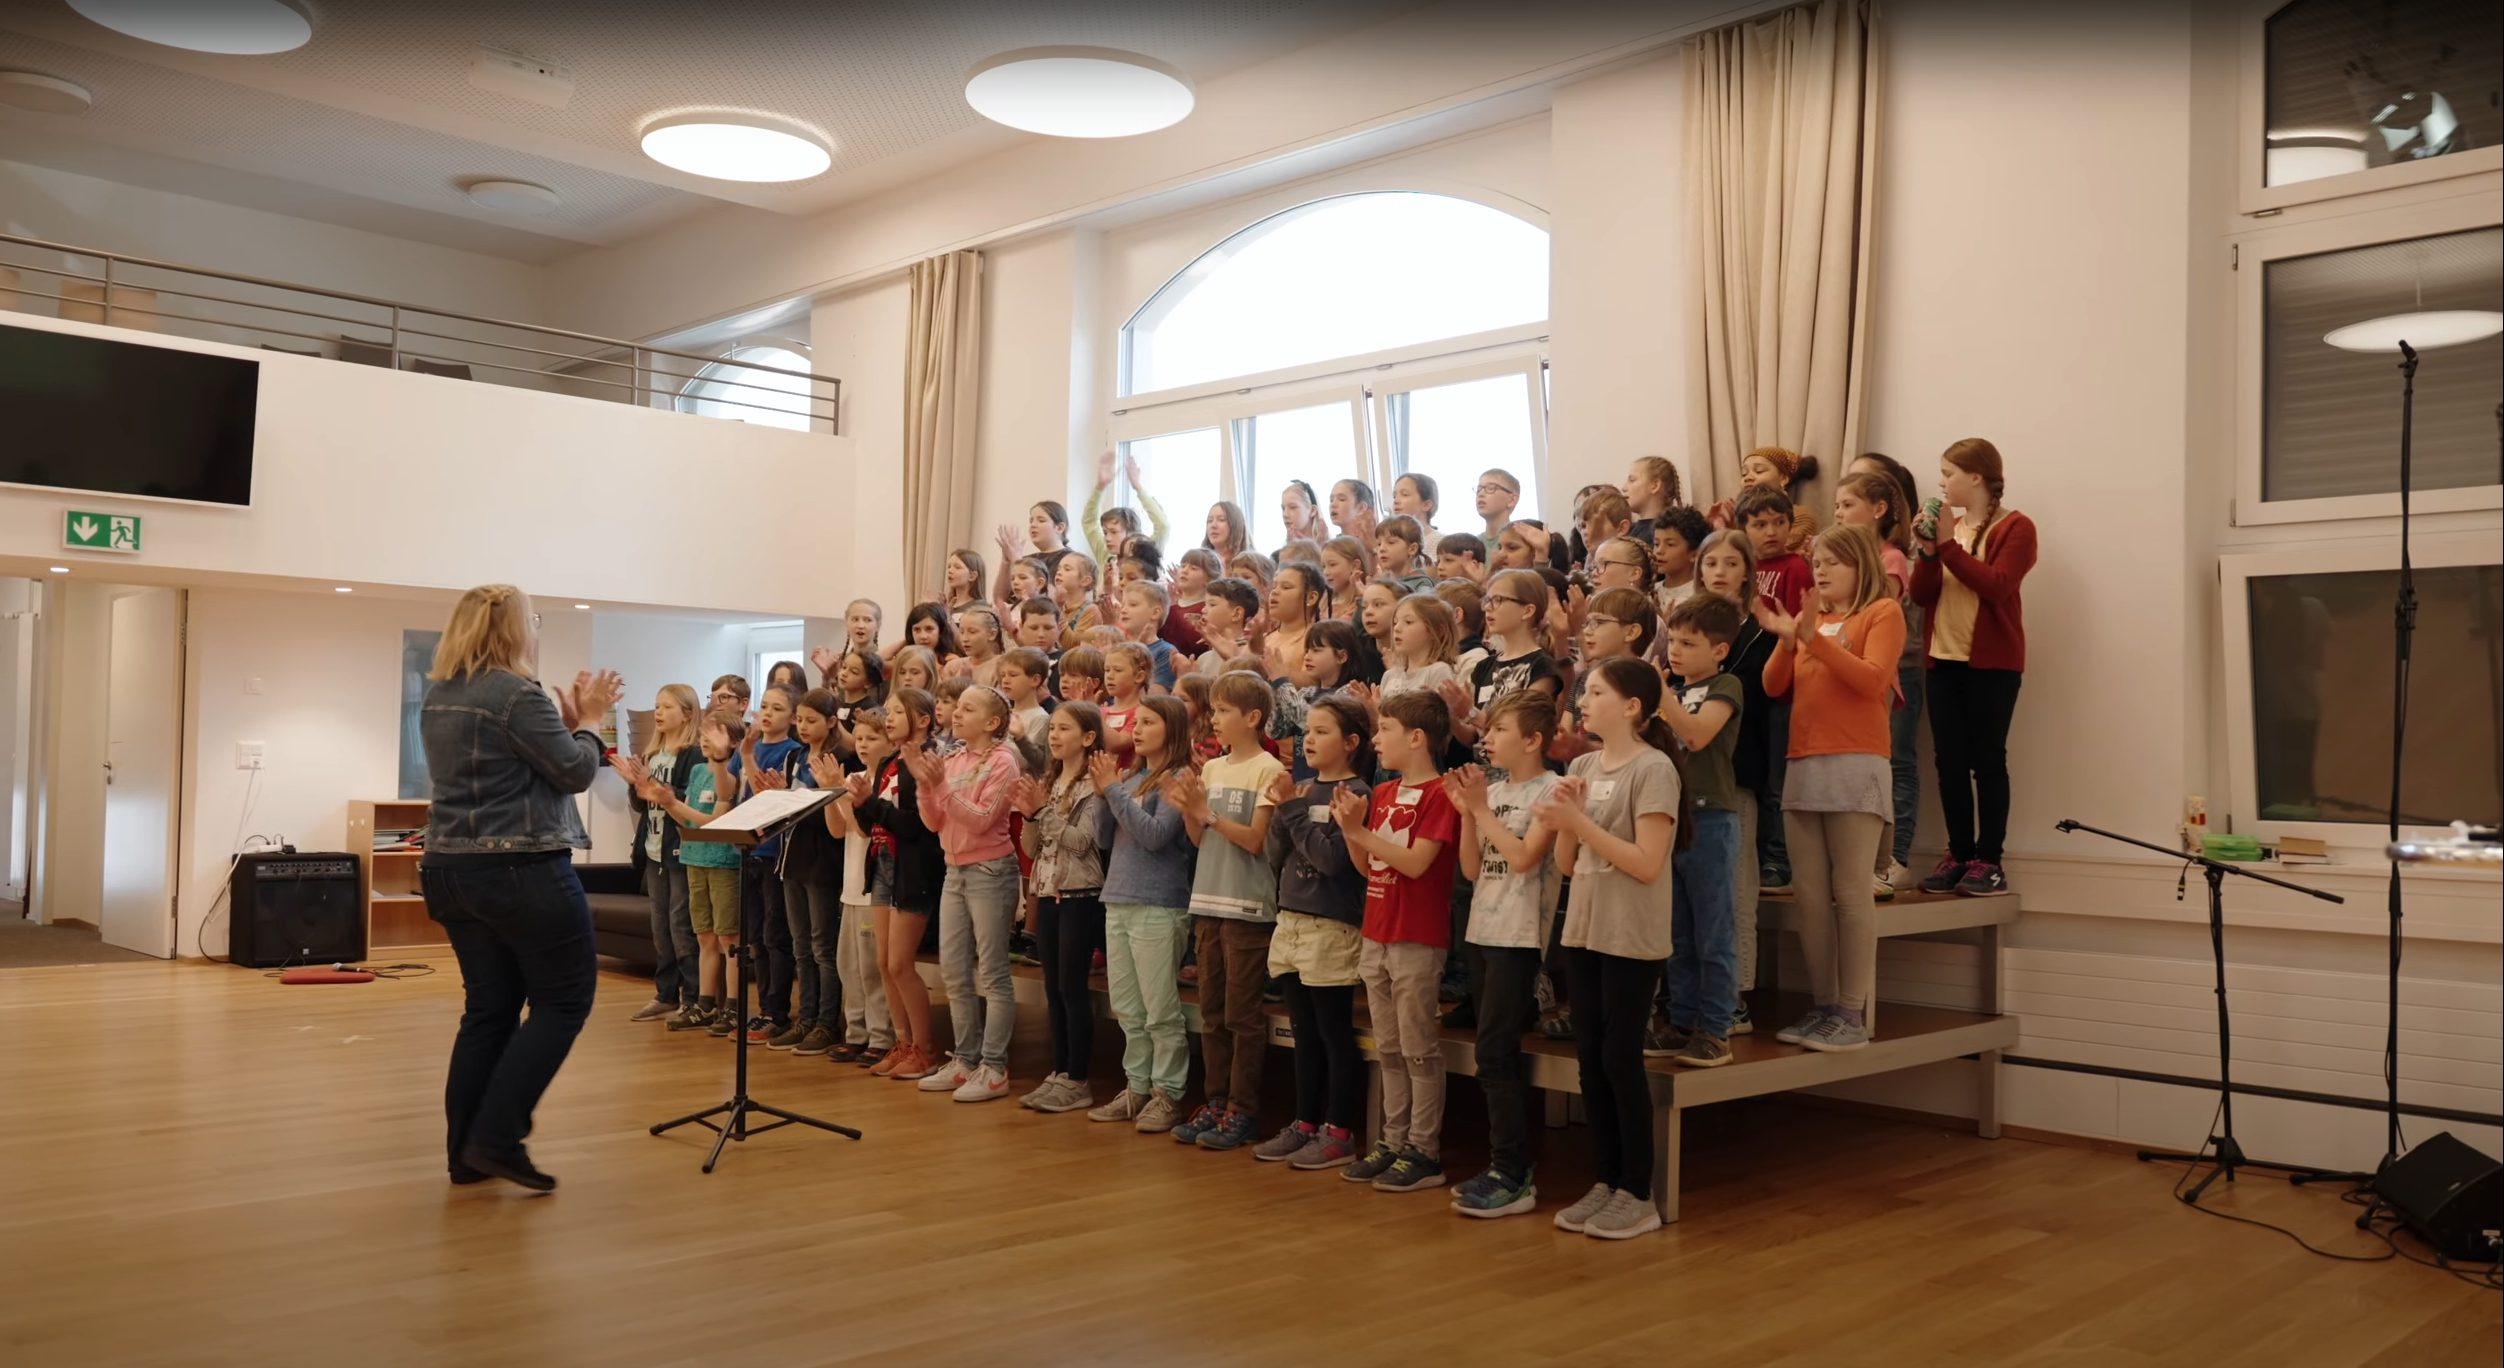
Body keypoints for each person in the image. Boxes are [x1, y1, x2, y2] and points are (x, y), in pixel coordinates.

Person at [417, 584, 620, 1193]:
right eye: (531, 619)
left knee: (488, 1009)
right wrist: (589, 724)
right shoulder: (515, 693)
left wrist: (561, 728)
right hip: (518, 870)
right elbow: (578, 771)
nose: (536, 628)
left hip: (450, 868)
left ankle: (466, 1155)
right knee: (564, 1001)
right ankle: (498, 1137)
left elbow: (522, 764)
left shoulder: (439, 694)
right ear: (514, 631)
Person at [1539, 656, 1684, 1240]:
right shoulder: (1581, 763)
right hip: (1585, 929)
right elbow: (1566, 865)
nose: (1583, 699)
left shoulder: (1655, 771)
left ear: (1632, 708)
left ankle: (1638, 1191)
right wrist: (1564, 822)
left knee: (1621, 1059)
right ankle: (1606, 1180)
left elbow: (1648, 865)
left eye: (1596, 691)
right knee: (1590, 1060)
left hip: (1631, 935)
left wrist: (1579, 819)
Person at [1759, 524, 1907, 1052]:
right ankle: (1823, 1005)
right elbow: (1774, 686)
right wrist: (1789, 637)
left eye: (1833, 562)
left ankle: (1851, 1010)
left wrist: (1812, 642)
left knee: (1849, 892)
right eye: (1817, 562)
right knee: (1811, 897)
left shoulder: (1881, 613)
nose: (1820, 571)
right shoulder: (1812, 623)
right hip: (1804, 762)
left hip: (1857, 761)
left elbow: (1870, 680)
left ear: (1861, 565)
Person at [1333, 691, 1461, 1193]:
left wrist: (1358, 832)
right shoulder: (1384, 793)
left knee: (1418, 1048)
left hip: (1417, 935)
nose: (1377, 739)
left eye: (1384, 729)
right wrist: (1351, 830)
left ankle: (1423, 1150)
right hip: (1378, 928)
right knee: (1387, 1046)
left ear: (1416, 738)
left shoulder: (1440, 794)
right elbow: (1369, 867)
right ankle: (1391, 1140)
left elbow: (1415, 863)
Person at [1445, 693, 1562, 1219]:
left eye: (1499, 730)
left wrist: (1479, 810)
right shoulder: (1492, 790)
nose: (1487, 738)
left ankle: (1514, 1172)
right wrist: (1471, 815)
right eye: (1486, 730)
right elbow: (1472, 869)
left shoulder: (1552, 789)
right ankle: (1504, 1166)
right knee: (1488, 1051)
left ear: (1533, 740)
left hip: (1518, 937)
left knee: (1496, 1051)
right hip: (1482, 931)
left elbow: (1521, 858)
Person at [1165, 672, 1289, 1151]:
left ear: (1252, 717)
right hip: (1209, 899)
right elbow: (1200, 841)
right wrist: (1188, 809)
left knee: (1242, 1016)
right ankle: (1215, 1103)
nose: (1213, 719)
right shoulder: (1212, 768)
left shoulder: (1267, 769)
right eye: (1213, 710)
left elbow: (1256, 841)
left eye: (1221, 711)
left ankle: (1243, 1110)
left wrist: (1209, 814)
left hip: (1247, 904)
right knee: (1211, 1014)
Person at [1911, 438, 2035, 899]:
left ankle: (1989, 858)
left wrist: (1946, 546)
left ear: (1976, 476)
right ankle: (1958, 853)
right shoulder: (1953, 530)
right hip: (1943, 659)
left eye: (1948, 474)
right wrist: (1927, 552)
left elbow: (1997, 586)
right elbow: (1923, 595)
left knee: (1987, 761)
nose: (1942, 483)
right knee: (1949, 763)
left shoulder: (2016, 527)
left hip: (1993, 665)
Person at [1255, 694, 1374, 1169]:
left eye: (1322, 731)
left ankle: (1339, 1129)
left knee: (1333, 1032)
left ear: (1350, 742)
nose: (1309, 739)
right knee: (1303, 1032)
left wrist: (1293, 813)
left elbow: (1330, 862)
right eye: (1307, 730)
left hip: (1331, 925)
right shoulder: (1301, 790)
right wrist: (1285, 810)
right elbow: (1275, 857)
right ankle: (1305, 1122)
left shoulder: (1358, 793)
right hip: (1292, 919)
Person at [1087, 697, 1199, 1134]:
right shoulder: (1131, 776)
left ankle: (1167, 1094)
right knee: (1129, 1008)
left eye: (1148, 722)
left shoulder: (1179, 777)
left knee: (1159, 1010)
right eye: (1137, 721)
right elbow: (1104, 837)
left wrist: (1112, 790)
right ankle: (1136, 1085)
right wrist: (1104, 794)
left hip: (1158, 903)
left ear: (1170, 729)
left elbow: (1154, 837)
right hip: (1119, 899)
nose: (1137, 728)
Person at [908, 686, 1024, 1103]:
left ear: (992, 723)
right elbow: (935, 822)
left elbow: (980, 820)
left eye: (968, 709)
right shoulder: (953, 759)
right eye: (956, 707)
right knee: (954, 972)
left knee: (992, 973)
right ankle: (966, 1059)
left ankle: (994, 1066)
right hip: (954, 870)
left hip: (991, 871)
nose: (956, 713)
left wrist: (940, 786)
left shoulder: (1004, 761)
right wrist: (926, 786)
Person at [1659, 594, 1747, 1067]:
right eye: (1672, 640)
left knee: (1714, 930)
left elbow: (1696, 735)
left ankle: (1716, 1028)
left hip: (1710, 816)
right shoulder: (1670, 691)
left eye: (1688, 643)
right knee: (1678, 931)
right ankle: (1681, 1021)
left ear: (1719, 650)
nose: (1675, 650)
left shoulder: (1726, 685)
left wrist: (1662, 698)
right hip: (1669, 819)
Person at [1013, 701, 1109, 1113]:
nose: (1054, 736)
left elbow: (1084, 842)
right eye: (1052, 729)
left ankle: (1077, 1077)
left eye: (1064, 729)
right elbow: (1032, 848)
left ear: (1088, 738)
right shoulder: (1050, 781)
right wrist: (1031, 819)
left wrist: (1041, 813)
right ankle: (1058, 1071)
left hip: (1080, 894)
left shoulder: (1095, 786)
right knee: (1053, 988)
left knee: (1072, 988)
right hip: (1047, 890)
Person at [630, 709, 745, 1041]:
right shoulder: (696, 770)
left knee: (729, 939)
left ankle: (733, 1006)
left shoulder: (730, 773)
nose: (707, 739)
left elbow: (714, 820)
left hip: (723, 863)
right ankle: (705, 1003)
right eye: (705, 732)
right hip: (694, 859)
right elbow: (690, 823)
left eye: (717, 733)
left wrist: (669, 802)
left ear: (733, 742)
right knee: (705, 937)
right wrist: (663, 801)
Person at [1695, 530, 1768, 1035]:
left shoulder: (1761, 631)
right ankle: (1695, 995)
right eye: (1710, 563)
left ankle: (1736, 996)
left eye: (1730, 563)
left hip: (1739, 769)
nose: (1719, 572)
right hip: (1691, 776)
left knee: (1736, 891)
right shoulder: (1686, 627)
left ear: (1747, 571)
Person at [1832, 470, 1918, 897]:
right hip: (1841, 678)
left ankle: (1887, 860)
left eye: (1847, 505)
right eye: (1837, 507)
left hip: (1876, 673)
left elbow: (1871, 606)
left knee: (1886, 765)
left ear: (1879, 510)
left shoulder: (1891, 558)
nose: (1839, 513)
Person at [851, 690, 945, 1080]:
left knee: (901, 963)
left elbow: (915, 825)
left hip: (914, 868)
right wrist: (860, 803)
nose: (887, 718)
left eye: (896, 712)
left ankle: (925, 1048)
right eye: (886, 712)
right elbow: (868, 826)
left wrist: (871, 803)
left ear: (922, 719)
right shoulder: (888, 762)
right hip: (883, 863)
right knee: (884, 964)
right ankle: (903, 1042)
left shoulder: (926, 762)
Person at [1738, 485, 1810, 892]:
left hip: (1782, 694)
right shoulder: (1744, 568)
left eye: (1779, 522)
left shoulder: (1795, 567)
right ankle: (1757, 854)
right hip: (1751, 691)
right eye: (1760, 524)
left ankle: (1778, 861)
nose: (1771, 531)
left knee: (1778, 782)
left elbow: (1800, 630)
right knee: (1758, 777)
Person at [772, 689, 849, 1056]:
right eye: (799, 719)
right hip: (792, 858)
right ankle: (805, 1019)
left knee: (823, 947)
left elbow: (835, 816)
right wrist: (777, 798)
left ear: (832, 721)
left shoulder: (842, 759)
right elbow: (789, 811)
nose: (802, 726)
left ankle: (826, 1023)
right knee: (801, 946)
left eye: (811, 720)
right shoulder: (794, 756)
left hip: (824, 861)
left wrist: (799, 803)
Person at [624, 682, 700, 1026]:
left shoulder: (692, 753)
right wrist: (636, 784)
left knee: (681, 926)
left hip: (679, 850)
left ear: (686, 714)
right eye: (656, 706)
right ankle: (665, 994)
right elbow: (641, 804)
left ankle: (694, 996)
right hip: (653, 850)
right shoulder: (653, 753)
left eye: (667, 707)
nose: (658, 712)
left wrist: (655, 786)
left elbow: (686, 797)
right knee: (661, 928)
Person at [821, 707, 892, 1068]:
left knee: (871, 968)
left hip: (873, 889)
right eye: (859, 738)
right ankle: (856, 1033)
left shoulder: (887, 781)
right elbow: (837, 830)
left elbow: (865, 829)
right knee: (848, 965)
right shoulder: (854, 778)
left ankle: (881, 1037)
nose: (863, 745)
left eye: (872, 738)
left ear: (891, 740)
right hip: (850, 887)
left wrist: (843, 794)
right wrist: (831, 795)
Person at [994, 498, 1079, 607]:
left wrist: (1017, 560)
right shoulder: (1028, 560)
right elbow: (1000, 600)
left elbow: (1056, 599)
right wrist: (1006, 560)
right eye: (1031, 521)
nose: (1033, 525)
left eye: (1041, 520)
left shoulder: (1070, 559)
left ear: (1059, 528)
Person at [1380, 592, 1460, 702]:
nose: (1397, 628)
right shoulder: (1390, 675)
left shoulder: (1438, 671)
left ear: (1437, 631)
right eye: (1395, 622)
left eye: (1408, 622)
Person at [1263, 562, 1325, 688]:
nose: (1274, 592)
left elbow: (1314, 682)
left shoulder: (1316, 638)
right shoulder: (1267, 637)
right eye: (1274, 587)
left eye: (1286, 587)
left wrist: (1277, 671)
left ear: (1311, 597)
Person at [1650, 505, 1713, 621]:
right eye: (1656, 544)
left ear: (1694, 554)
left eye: (1670, 544)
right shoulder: (1651, 592)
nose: (1659, 551)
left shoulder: (1702, 596)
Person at [1624, 456, 1683, 544]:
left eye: (1632, 480)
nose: (1624, 488)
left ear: (1654, 486)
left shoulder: (1662, 534)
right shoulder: (1630, 529)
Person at [1319, 535, 1369, 622]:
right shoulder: (1323, 603)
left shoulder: (1363, 602)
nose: (1326, 572)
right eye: (1323, 566)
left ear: (1354, 566)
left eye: (1332, 564)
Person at [1391, 472, 1443, 548]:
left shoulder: (1440, 542)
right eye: (1394, 496)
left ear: (1426, 505)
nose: (1396, 501)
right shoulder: (1389, 542)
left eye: (1405, 494)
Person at [1474, 469, 1521, 551]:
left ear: (1512, 499)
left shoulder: (1521, 541)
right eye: (1478, 489)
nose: (1481, 494)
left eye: (1490, 488)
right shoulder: (1473, 545)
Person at [1278, 478, 1328, 549]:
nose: (1285, 515)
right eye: (1283, 508)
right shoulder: (1277, 556)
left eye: (1293, 507)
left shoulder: (1330, 549)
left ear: (1312, 511)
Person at [1329, 478, 1380, 548]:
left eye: (1341, 499)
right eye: (1331, 500)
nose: (1333, 505)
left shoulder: (1379, 542)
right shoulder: (1334, 545)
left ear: (1361, 508)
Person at [944, 549, 987, 613]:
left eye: (957, 567)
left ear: (972, 576)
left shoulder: (979, 608)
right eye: (949, 567)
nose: (950, 571)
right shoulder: (948, 606)